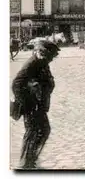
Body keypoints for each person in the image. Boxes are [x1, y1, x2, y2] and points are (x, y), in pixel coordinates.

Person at [11, 40, 60, 169]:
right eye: (51, 56)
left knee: (43, 130)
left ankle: (30, 161)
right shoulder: (32, 64)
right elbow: (16, 84)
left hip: (38, 105)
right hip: (31, 106)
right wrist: (27, 103)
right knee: (34, 131)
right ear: (43, 52)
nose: (52, 59)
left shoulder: (41, 63)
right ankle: (26, 164)